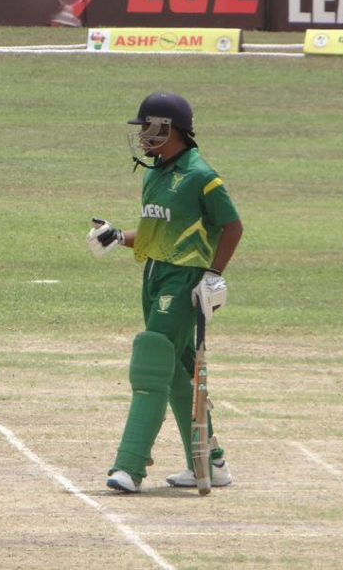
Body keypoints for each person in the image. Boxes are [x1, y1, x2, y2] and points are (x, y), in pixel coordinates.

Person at [87, 92, 244, 493]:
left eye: (147, 127)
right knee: (176, 371)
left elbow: (232, 227)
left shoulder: (201, 176)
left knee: (152, 360)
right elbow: (158, 232)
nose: (141, 135)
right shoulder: (154, 173)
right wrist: (117, 237)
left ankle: (130, 466)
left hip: (183, 278)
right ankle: (210, 461)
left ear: (168, 128)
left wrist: (213, 274)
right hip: (154, 274)